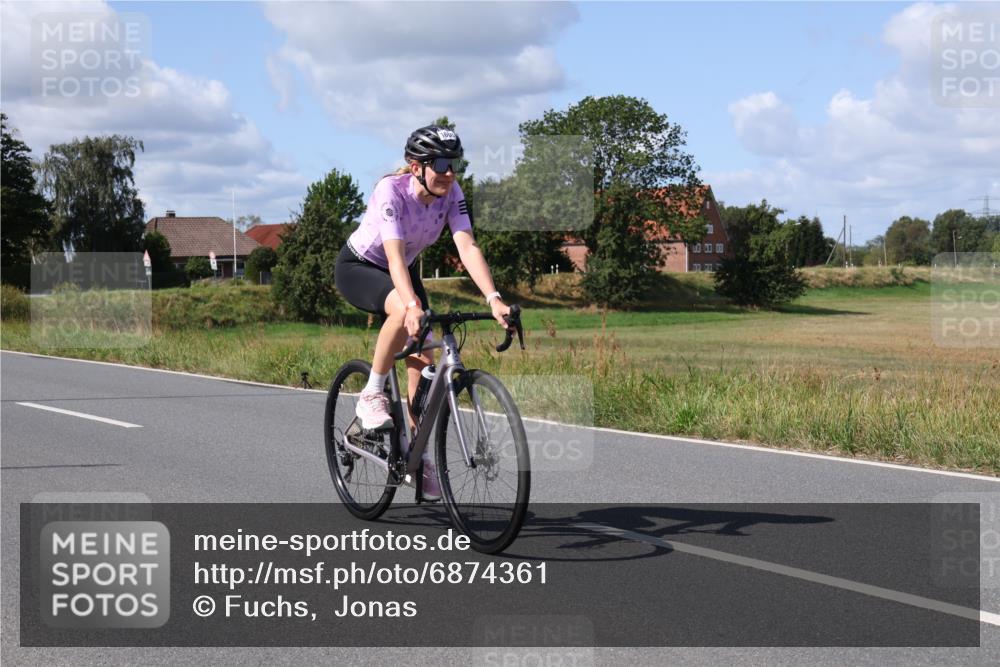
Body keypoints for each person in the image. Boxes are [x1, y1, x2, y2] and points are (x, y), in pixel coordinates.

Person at [334, 125, 511, 500]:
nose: (450, 172)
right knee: (403, 310)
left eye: (454, 164)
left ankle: (420, 454)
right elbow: (394, 256)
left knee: (424, 357)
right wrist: (411, 305)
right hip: (363, 266)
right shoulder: (390, 191)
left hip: (404, 270)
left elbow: (467, 246)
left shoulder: (451, 194)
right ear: (416, 167)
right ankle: (371, 393)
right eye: (442, 164)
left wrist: (494, 298)